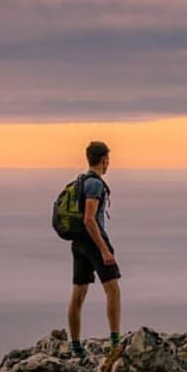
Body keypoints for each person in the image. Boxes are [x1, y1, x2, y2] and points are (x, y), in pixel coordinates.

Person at [67, 140, 121, 358]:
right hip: (93, 241)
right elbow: (89, 219)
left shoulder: (80, 181)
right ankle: (115, 342)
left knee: (78, 293)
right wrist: (104, 250)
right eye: (108, 160)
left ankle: (76, 346)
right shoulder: (95, 185)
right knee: (113, 289)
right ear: (104, 160)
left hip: (78, 242)